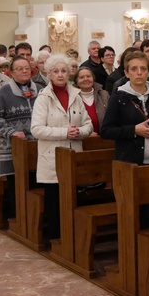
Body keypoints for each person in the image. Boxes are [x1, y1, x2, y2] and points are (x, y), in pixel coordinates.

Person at [101, 51, 149, 229]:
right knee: (130, 213)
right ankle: (131, 253)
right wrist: (134, 130)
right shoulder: (119, 97)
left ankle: (148, 252)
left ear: (148, 72)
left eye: (143, 69)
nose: (139, 72)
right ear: (126, 72)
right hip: (128, 162)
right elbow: (106, 131)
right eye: (134, 69)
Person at [31, 54, 93, 240]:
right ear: (49, 74)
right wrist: (64, 132)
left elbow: (88, 124)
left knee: (73, 199)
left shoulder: (76, 94)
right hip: (52, 156)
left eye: (64, 71)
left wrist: (79, 132)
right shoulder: (43, 98)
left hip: (73, 153)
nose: (60, 75)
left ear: (69, 73)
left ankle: (73, 236)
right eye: (56, 71)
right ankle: (57, 238)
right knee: (55, 200)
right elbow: (36, 129)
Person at [0, 56, 39, 219]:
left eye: (27, 68)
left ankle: (34, 220)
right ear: (11, 73)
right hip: (14, 147)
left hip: (37, 147)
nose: (24, 71)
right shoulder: (4, 93)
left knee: (36, 185)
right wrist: (12, 132)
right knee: (17, 186)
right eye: (19, 68)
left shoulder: (40, 90)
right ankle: (18, 218)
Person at [74, 66, 109, 135]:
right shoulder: (72, 98)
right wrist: (86, 133)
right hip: (80, 140)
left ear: (93, 79)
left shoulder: (104, 95)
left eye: (88, 76)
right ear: (76, 82)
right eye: (81, 77)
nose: (85, 79)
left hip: (104, 140)